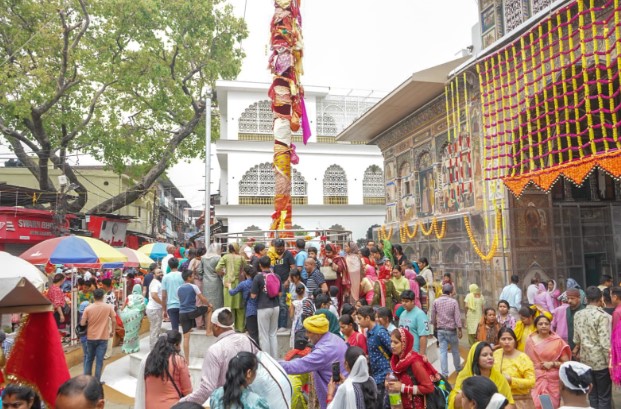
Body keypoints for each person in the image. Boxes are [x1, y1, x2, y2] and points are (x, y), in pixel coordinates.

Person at [179, 307, 258, 404]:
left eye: (211, 325)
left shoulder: (215, 350)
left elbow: (206, 390)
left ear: (216, 326)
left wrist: (183, 402)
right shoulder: (248, 340)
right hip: (248, 401)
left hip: (226, 403)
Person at [280, 314, 348, 409]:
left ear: (318, 333)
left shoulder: (324, 351)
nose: (306, 335)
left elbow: (299, 365)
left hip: (334, 397)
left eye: (309, 332)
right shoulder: (333, 338)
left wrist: (272, 364)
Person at [573, 286, 612, 409]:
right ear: (601, 298)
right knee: (604, 396)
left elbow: (576, 340)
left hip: (585, 361)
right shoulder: (603, 316)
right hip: (601, 362)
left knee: (592, 395)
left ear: (586, 299)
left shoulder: (578, 314)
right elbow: (605, 343)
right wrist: (611, 362)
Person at [448, 342, 514, 409]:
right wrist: (470, 391)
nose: (490, 357)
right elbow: (454, 402)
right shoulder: (465, 376)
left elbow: (510, 403)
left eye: (491, 354)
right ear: (475, 358)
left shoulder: (500, 378)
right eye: (484, 355)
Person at [525, 314, 570, 409]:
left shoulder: (558, 341)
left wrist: (552, 364)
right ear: (536, 326)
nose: (543, 326)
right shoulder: (530, 341)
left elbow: (566, 364)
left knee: (550, 405)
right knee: (536, 404)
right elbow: (526, 362)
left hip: (552, 380)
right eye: (540, 324)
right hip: (535, 378)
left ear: (550, 326)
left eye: (546, 324)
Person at [139, 331, 192, 409]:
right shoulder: (178, 360)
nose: (180, 348)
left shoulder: (148, 359)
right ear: (175, 345)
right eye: (179, 345)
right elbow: (187, 391)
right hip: (172, 406)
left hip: (149, 405)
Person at [386, 327, 436, 409]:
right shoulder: (395, 360)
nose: (392, 345)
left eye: (396, 342)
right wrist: (389, 383)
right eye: (391, 341)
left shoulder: (415, 362)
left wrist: (403, 388)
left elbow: (429, 388)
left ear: (404, 344)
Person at [357, 305, 392, 409]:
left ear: (367, 318)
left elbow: (393, 350)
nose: (358, 322)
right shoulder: (369, 332)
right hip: (375, 376)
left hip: (383, 375)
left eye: (359, 318)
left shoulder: (380, 332)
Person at [493, 328, 536, 409]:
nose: (506, 342)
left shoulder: (523, 358)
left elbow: (532, 382)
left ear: (515, 341)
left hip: (519, 401)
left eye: (510, 339)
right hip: (498, 400)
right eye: (503, 339)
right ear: (498, 341)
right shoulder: (496, 354)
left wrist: (511, 380)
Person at [81, 289, 116, 381]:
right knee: (99, 361)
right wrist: (113, 331)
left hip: (90, 337)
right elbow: (114, 320)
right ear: (103, 297)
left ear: (93, 296)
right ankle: (97, 381)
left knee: (89, 359)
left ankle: (87, 380)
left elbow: (82, 323)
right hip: (103, 338)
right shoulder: (108, 307)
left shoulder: (88, 308)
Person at [431, 283, 463, 377]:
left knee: (443, 351)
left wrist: (434, 324)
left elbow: (433, 316)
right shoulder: (453, 302)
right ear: (451, 291)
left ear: (442, 290)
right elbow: (457, 317)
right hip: (451, 330)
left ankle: (444, 373)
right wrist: (460, 329)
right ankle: (458, 369)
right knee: (455, 351)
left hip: (440, 330)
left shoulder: (436, 302)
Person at [251, 256, 280, 358]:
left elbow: (253, 295)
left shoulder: (258, 277)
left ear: (260, 265)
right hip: (276, 306)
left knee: (264, 335)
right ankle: (275, 358)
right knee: (273, 334)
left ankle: (266, 360)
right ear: (270, 263)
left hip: (263, 307)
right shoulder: (276, 276)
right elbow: (279, 293)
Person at [178, 270, 210, 359]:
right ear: (188, 277)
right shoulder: (194, 287)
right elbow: (202, 298)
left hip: (182, 314)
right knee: (209, 309)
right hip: (192, 312)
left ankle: (187, 360)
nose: (193, 277)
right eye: (192, 276)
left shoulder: (179, 288)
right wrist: (208, 304)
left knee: (186, 338)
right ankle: (208, 330)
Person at [216, 243, 247, 333]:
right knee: (240, 307)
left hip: (227, 283)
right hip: (239, 283)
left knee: (229, 307)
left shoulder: (225, 257)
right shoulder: (241, 258)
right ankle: (240, 328)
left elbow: (217, 268)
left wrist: (224, 273)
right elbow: (246, 268)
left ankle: (230, 328)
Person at [229, 265, 259, 346]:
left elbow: (232, 292)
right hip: (260, 309)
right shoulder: (257, 282)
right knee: (258, 333)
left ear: (245, 273)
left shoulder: (243, 284)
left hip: (250, 311)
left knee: (252, 334)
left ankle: (255, 351)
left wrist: (229, 286)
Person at [271, 239, 296, 332]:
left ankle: (282, 325)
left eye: (280, 249)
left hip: (284, 283)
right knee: (275, 304)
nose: (279, 250)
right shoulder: (273, 254)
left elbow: (293, 268)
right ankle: (275, 325)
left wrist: (288, 280)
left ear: (284, 247)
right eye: (277, 249)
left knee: (283, 303)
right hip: (274, 283)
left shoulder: (288, 254)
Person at [198, 243, 222, 336]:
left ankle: (208, 326)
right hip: (216, 282)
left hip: (206, 283)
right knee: (217, 304)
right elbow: (220, 270)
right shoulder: (218, 258)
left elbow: (199, 270)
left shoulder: (203, 258)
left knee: (208, 305)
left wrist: (203, 277)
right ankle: (216, 326)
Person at [398, 289, 429, 354]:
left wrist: (421, 354)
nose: (404, 303)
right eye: (402, 301)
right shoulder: (402, 314)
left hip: (415, 353)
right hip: (404, 352)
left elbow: (423, 336)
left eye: (406, 301)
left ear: (413, 301)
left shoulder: (420, 314)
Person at [120, 284, 146, 354]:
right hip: (135, 316)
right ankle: (133, 347)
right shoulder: (141, 297)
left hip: (126, 316)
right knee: (134, 332)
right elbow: (143, 308)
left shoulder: (129, 296)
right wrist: (142, 318)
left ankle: (125, 347)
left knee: (128, 331)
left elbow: (122, 307)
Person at [162, 258, 185, 333]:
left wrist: (164, 310)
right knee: (186, 329)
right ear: (178, 265)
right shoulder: (182, 275)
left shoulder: (165, 277)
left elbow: (164, 295)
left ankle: (175, 344)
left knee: (174, 329)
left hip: (171, 305)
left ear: (169, 266)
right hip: (183, 305)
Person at [146, 268, 165, 350]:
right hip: (154, 309)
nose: (160, 273)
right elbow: (154, 295)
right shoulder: (155, 283)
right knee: (155, 330)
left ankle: (154, 348)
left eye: (161, 272)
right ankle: (153, 349)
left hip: (155, 308)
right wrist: (162, 303)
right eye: (158, 273)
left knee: (155, 329)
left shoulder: (157, 283)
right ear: (154, 275)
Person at [289, 282, 306, 347]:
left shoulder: (293, 303)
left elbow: (291, 316)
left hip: (296, 323)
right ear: (304, 291)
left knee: (296, 339)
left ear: (296, 292)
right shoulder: (306, 300)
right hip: (304, 321)